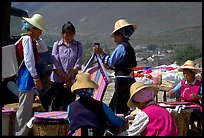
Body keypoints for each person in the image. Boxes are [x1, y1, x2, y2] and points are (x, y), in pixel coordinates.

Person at [93, 19, 137, 115]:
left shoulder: (121, 47)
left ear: (120, 35)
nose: (114, 39)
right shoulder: (129, 47)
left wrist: (101, 53)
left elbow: (110, 62)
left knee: (118, 103)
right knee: (124, 102)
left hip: (121, 79)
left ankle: (115, 123)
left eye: (115, 36)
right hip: (129, 78)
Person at [14, 13, 48, 136]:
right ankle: (20, 133)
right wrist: (35, 77)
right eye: (39, 30)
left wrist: (37, 37)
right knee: (24, 110)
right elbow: (28, 60)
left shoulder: (30, 39)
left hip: (26, 76)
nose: (41, 33)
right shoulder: (27, 39)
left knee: (26, 109)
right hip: (26, 76)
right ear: (33, 28)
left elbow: (44, 48)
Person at [49, 21, 83, 111]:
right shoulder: (56, 45)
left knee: (69, 106)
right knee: (55, 105)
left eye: (71, 35)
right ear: (62, 34)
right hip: (57, 81)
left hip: (71, 82)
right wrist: (64, 77)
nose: (69, 37)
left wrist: (68, 77)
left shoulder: (78, 46)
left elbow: (78, 64)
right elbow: (55, 63)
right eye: (66, 35)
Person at [168, 60, 202, 131]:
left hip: (195, 106)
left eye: (187, 74)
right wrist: (171, 92)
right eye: (184, 74)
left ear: (193, 74)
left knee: (190, 113)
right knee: (174, 112)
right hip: (183, 105)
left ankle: (189, 127)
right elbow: (174, 91)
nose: (185, 75)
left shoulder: (199, 84)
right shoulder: (182, 83)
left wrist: (198, 96)